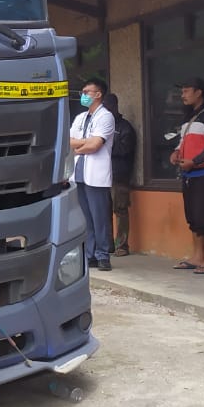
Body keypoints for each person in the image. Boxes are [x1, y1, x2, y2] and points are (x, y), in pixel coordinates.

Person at [170, 77, 204, 274]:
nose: (182, 95)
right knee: (193, 217)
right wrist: (176, 152)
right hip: (189, 175)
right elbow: (183, 142)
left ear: (199, 92)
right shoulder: (188, 117)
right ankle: (197, 256)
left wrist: (196, 161)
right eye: (182, 91)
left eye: (186, 91)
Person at [70, 77, 116, 272]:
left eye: (87, 92)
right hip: (79, 174)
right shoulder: (80, 117)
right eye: (83, 92)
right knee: (86, 218)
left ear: (98, 94)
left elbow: (96, 145)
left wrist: (80, 146)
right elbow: (69, 141)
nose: (83, 95)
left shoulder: (106, 116)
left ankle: (103, 255)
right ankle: (90, 255)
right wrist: (85, 143)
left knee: (100, 218)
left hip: (96, 175)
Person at [103, 93, 137, 256]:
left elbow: (125, 150)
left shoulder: (125, 127)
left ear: (115, 106)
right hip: (102, 176)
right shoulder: (101, 126)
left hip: (119, 176)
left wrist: (104, 146)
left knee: (120, 210)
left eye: (108, 107)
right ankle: (107, 245)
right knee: (104, 211)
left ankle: (122, 245)